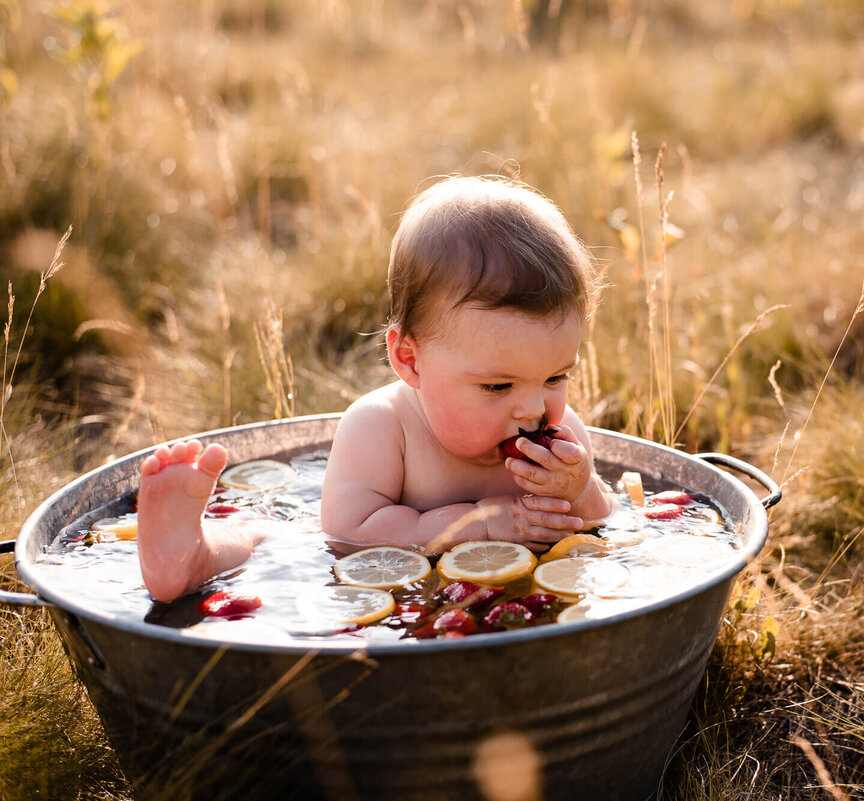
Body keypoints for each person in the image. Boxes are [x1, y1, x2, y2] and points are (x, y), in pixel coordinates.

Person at [137, 176, 613, 603]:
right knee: (270, 541)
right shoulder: (384, 427)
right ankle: (193, 555)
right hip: (373, 584)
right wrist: (479, 524)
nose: (533, 409)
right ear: (409, 359)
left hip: (496, 597)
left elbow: (601, 520)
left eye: (555, 377)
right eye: (496, 385)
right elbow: (348, 534)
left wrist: (581, 489)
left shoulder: (561, 437)